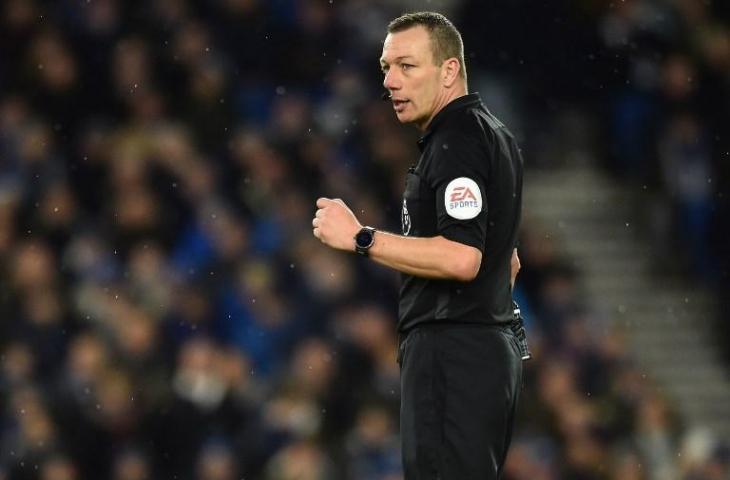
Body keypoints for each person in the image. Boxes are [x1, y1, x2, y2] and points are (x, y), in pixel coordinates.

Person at [312, 11, 525, 479]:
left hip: (452, 353)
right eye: (386, 67)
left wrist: (360, 237)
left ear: (449, 70)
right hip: (481, 351)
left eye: (407, 67)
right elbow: (506, 260)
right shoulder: (494, 135)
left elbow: (462, 257)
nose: (390, 81)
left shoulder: (456, 141)